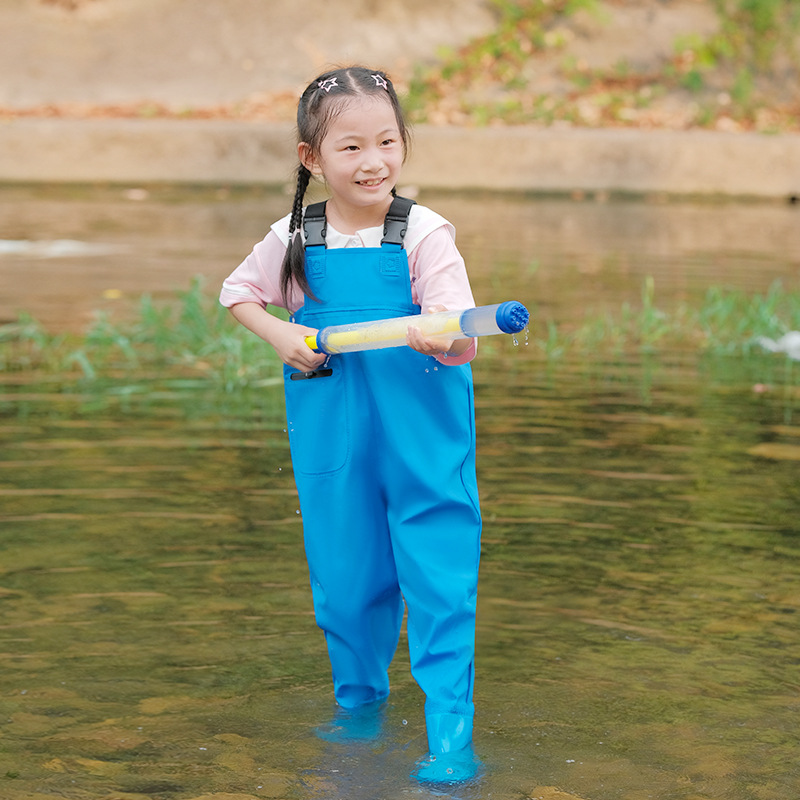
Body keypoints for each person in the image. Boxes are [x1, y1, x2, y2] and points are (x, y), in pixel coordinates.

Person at [219, 65, 482, 783]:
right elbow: (238, 292)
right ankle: (359, 710)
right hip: (332, 431)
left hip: (422, 439)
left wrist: (441, 334)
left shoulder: (423, 232)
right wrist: (280, 334)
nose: (374, 162)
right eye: (352, 147)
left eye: (387, 142)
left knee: (439, 574)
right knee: (345, 574)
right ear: (312, 158)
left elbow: (462, 331)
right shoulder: (295, 234)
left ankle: (450, 736)